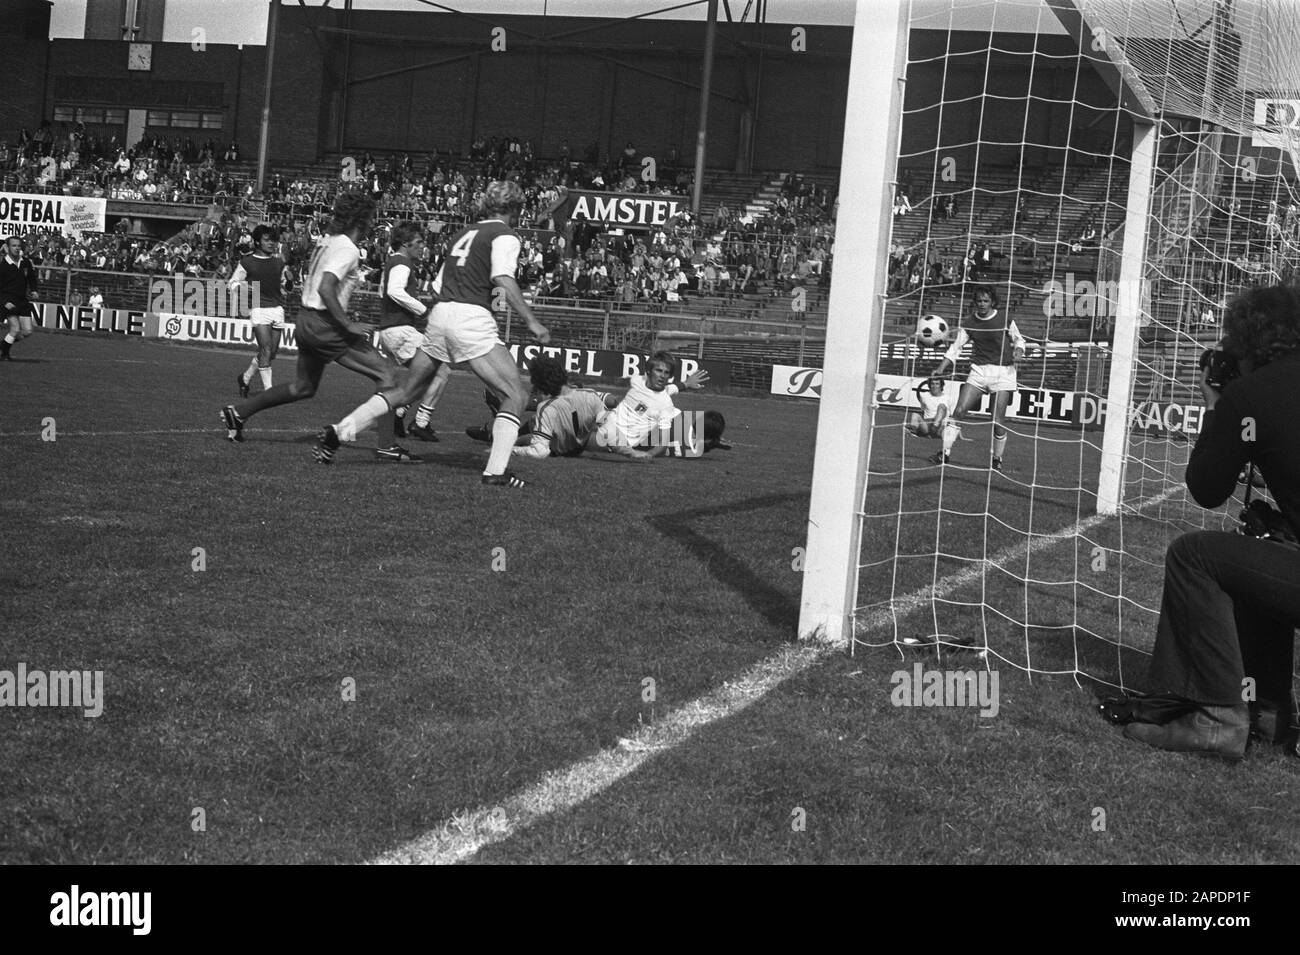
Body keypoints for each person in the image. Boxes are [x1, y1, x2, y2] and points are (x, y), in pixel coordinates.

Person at [1113, 285, 1300, 761]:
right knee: (1262, 545)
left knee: (1194, 555)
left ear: (1247, 342)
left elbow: (1206, 488)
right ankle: (1271, 712)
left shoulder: (1251, 394)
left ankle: (1217, 718)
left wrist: (1218, 403)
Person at [322, 180, 550, 486]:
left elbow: (438, 286)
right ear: (515, 208)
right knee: (515, 394)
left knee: (406, 391)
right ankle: (496, 472)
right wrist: (532, 321)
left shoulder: (462, 234)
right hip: (471, 316)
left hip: (441, 315)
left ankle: (340, 430)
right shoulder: (505, 235)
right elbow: (502, 277)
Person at [219, 192, 404, 458]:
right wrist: (347, 323)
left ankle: (239, 412)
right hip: (326, 324)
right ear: (360, 219)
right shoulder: (347, 248)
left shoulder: (328, 241)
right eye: (371, 217)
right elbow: (327, 287)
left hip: (306, 320)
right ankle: (386, 445)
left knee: (302, 388)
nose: (373, 223)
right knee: (389, 375)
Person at [927, 285, 1026, 469]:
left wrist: (1019, 350)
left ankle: (997, 459)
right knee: (959, 412)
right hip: (979, 371)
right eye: (979, 301)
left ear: (992, 302)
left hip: (1003, 373)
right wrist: (941, 368)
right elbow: (955, 347)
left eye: (985, 301)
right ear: (975, 302)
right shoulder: (969, 322)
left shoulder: (1004, 317)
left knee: (997, 421)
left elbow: (1019, 339)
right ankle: (944, 454)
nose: (982, 304)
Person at [372, 221, 449, 447]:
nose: (422, 246)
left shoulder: (394, 261)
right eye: (418, 242)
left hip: (392, 329)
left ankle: (398, 416)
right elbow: (394, 291)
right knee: (442, 370)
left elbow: (385, 293)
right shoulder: (402, 262)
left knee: (421, 376)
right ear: (405, 244)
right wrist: (422, 309)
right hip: (399, 329)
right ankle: (420, 422)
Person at [593, 351, 709, 461]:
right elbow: (666, 390)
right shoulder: (637, 381)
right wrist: (686, 384)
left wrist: (647, 455)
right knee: (592, 403)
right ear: (648, 371)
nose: (663, 376)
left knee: (579, 437)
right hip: (602, 421)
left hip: (615, 440)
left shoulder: (665, 405)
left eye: (666, 372)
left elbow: (662, 444)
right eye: (659, 370)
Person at [231, 225, 288, 398]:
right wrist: (243, 286)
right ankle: (269, 392)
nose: (271, 243)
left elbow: (286, 286)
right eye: (267, 239)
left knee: (271, 354)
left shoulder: (279, 261)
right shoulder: (247, 262)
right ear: (257, 241)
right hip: (259, 309)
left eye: (273, 240)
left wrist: (290, 282)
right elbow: (232, 283)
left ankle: (245, 378)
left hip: (277, 309)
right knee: (266, 348)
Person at [0, 235, 39, 361]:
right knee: (15, 329)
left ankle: (4, 345)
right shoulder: (3, 264)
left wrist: (34, 290)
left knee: (27, 331)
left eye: (18, 246)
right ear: (7, 247)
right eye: (14, 245)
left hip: (22, 300)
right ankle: (5, 351)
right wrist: (4, 302)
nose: (17, 248)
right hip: (8, 301)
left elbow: (32, 278)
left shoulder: (25, 262)